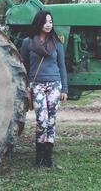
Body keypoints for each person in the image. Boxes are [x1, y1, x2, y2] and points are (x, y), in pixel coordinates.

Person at [21, 10, 68, 168]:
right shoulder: (28, 42)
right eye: (46, 22)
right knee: (42, 121)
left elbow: (62, 67)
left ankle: (48, 158)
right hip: (37, 86)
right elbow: (24, 66)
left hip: (54, 85)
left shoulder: (57, 43)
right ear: (39, 23)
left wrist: (64, 90)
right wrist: (26, 85)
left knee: (51, 121)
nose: (49, 25)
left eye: (51, 22)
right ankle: (38, 157)